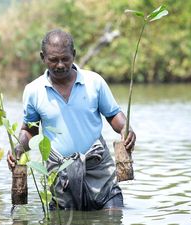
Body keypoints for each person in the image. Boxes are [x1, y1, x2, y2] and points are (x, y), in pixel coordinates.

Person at [7, 28, 136, 210]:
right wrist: (18, 148)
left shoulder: (94, 82)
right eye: (53, 60)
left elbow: (114, 115)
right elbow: (30, 130)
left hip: (98, 167)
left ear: (73, 55)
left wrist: (126, 129)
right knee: (66, 217)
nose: (60, 65)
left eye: (65, 59)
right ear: (43, 57)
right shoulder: (33, 91)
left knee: (113, 213)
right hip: (60, 173)